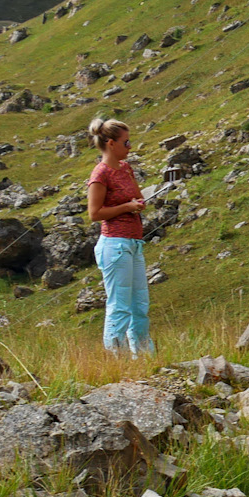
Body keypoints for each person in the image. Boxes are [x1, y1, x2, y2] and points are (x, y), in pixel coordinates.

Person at [85, 117, 152, 356]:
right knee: (120, 307)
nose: (130, 147)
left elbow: (135, 196)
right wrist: (126, 207)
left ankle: (144, 358)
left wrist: (137, 203)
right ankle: (117, 360)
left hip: (134, 243)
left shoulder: (125, 168)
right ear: (111, 143)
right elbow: (95, 213)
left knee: (140, 305)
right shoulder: (100, 174)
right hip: (115, 244)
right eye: (126, 142)